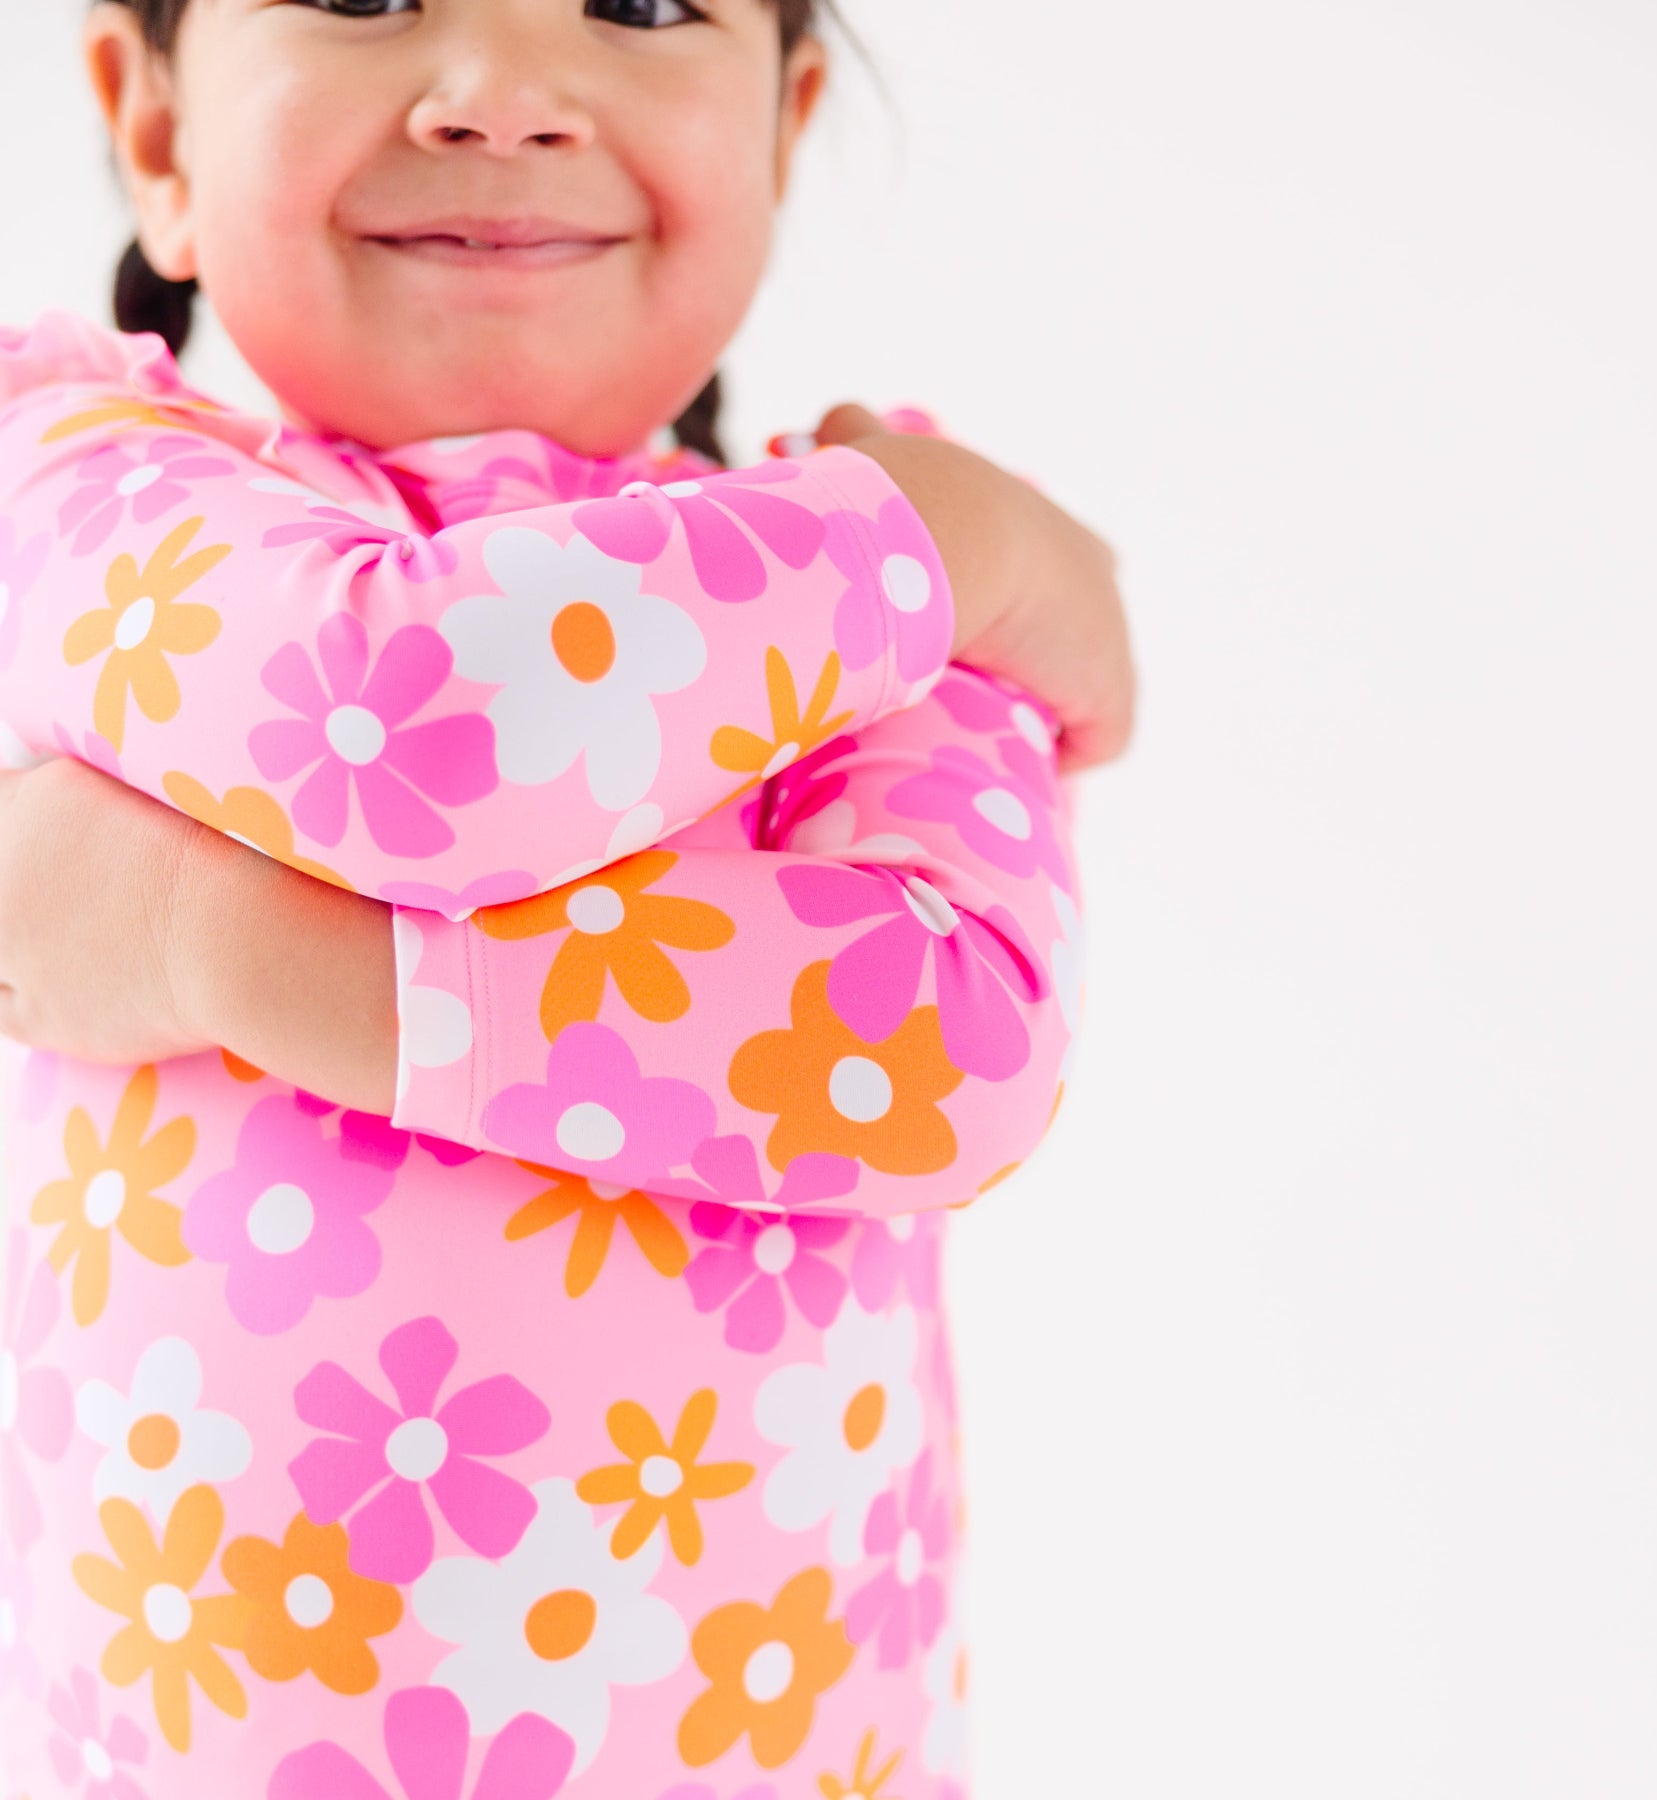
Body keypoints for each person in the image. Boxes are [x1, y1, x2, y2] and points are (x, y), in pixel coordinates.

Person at [0, 1, 1134, 1794]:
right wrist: (941, 548)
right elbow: (400, 721)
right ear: (154, 127)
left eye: (642, 1)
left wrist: (206, 939)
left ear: (781, 122)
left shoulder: (865, 599)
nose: (506, 99)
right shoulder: (89, 483)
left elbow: (939, 1046)